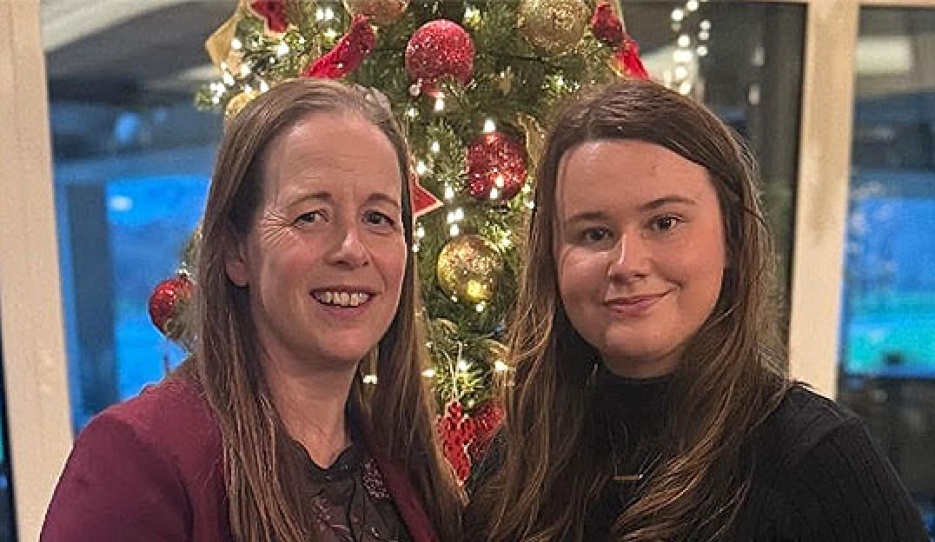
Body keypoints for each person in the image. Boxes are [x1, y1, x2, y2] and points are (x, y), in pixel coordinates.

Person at [463, 78, 929, 541]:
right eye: (594, 234)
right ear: (551, 258)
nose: (627, 264)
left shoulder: (816, 460)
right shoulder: (516, 464)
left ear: (732, 239)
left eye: (664, 223)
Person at [41, 78, 462, 542]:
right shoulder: (138, 458)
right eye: (311, 216)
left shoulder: (406, 466)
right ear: (236, 251)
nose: (351, 249)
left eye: (378, 218)